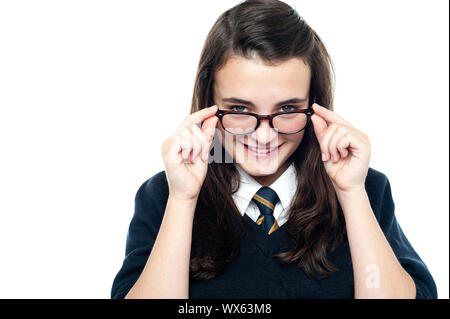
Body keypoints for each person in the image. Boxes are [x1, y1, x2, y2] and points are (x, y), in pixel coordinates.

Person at [111, 0, 437, 299]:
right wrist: (183, 201)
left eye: (287, 110)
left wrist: (351, 193)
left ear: (315, 105)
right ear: (210, 103)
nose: (264, 137)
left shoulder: (365, 188)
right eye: (239, 110)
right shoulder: (164, 195)